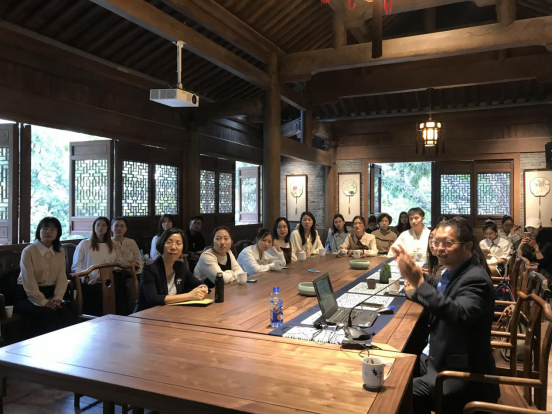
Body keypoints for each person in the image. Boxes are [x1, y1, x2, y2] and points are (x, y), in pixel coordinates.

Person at [392, 217, 499, 413]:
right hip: (441, 357)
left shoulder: (476, 279)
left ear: (467, 246)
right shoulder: (459, 270)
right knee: (399, 364)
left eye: (448, 243)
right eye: (436, 242)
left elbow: (457, 313)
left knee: (398, 393)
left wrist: (419, 283)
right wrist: (417, 275)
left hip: (458, 375)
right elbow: (442, 286)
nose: (439, 248)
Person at [14, 217, 72, 336]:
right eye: (45, 228)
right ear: (39, 231)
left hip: (50, 293)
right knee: (48, 314)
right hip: (27, 295)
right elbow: (29, 281)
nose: (48, 231)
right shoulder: (28, 251)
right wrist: (44, 302)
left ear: (58, 233)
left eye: (53, 229)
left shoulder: (60, 251)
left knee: (65, 312)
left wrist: (58, 297)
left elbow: (62, 277)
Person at [135, 228, 208, 312]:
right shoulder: (149, 270)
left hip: (171, 312)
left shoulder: (180, 267)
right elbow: (153, 299)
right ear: (162, 244)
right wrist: (189, 296)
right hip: (147, 315)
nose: (173, 247)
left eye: (178, 243)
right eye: (169, 242)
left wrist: (203, 289)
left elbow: (199, 284)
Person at [72, 217, 117, 316]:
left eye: (104, 225)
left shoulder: (111, 246)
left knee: (118, 289)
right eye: (98, 225)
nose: (100, 227)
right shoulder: (85, 244)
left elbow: (111, 264)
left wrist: (103, 276)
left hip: (105, 281)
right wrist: (86, 278)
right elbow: (76, 265)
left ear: (108, 228)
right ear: (94, 227)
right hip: (88, 282)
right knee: (99, 293)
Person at [111, 217, 144, 315]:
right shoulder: (108, 243)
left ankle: (135, 312)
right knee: (130, 285)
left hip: (133, 273)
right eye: (116, 226)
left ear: (126, 228)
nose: (119, 228)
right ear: (111, 228)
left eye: (122, 226)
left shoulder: (131, 242)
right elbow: (108, 262)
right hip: (116, 275)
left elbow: (138, 261)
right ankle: (128, 313)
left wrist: (132, 269)